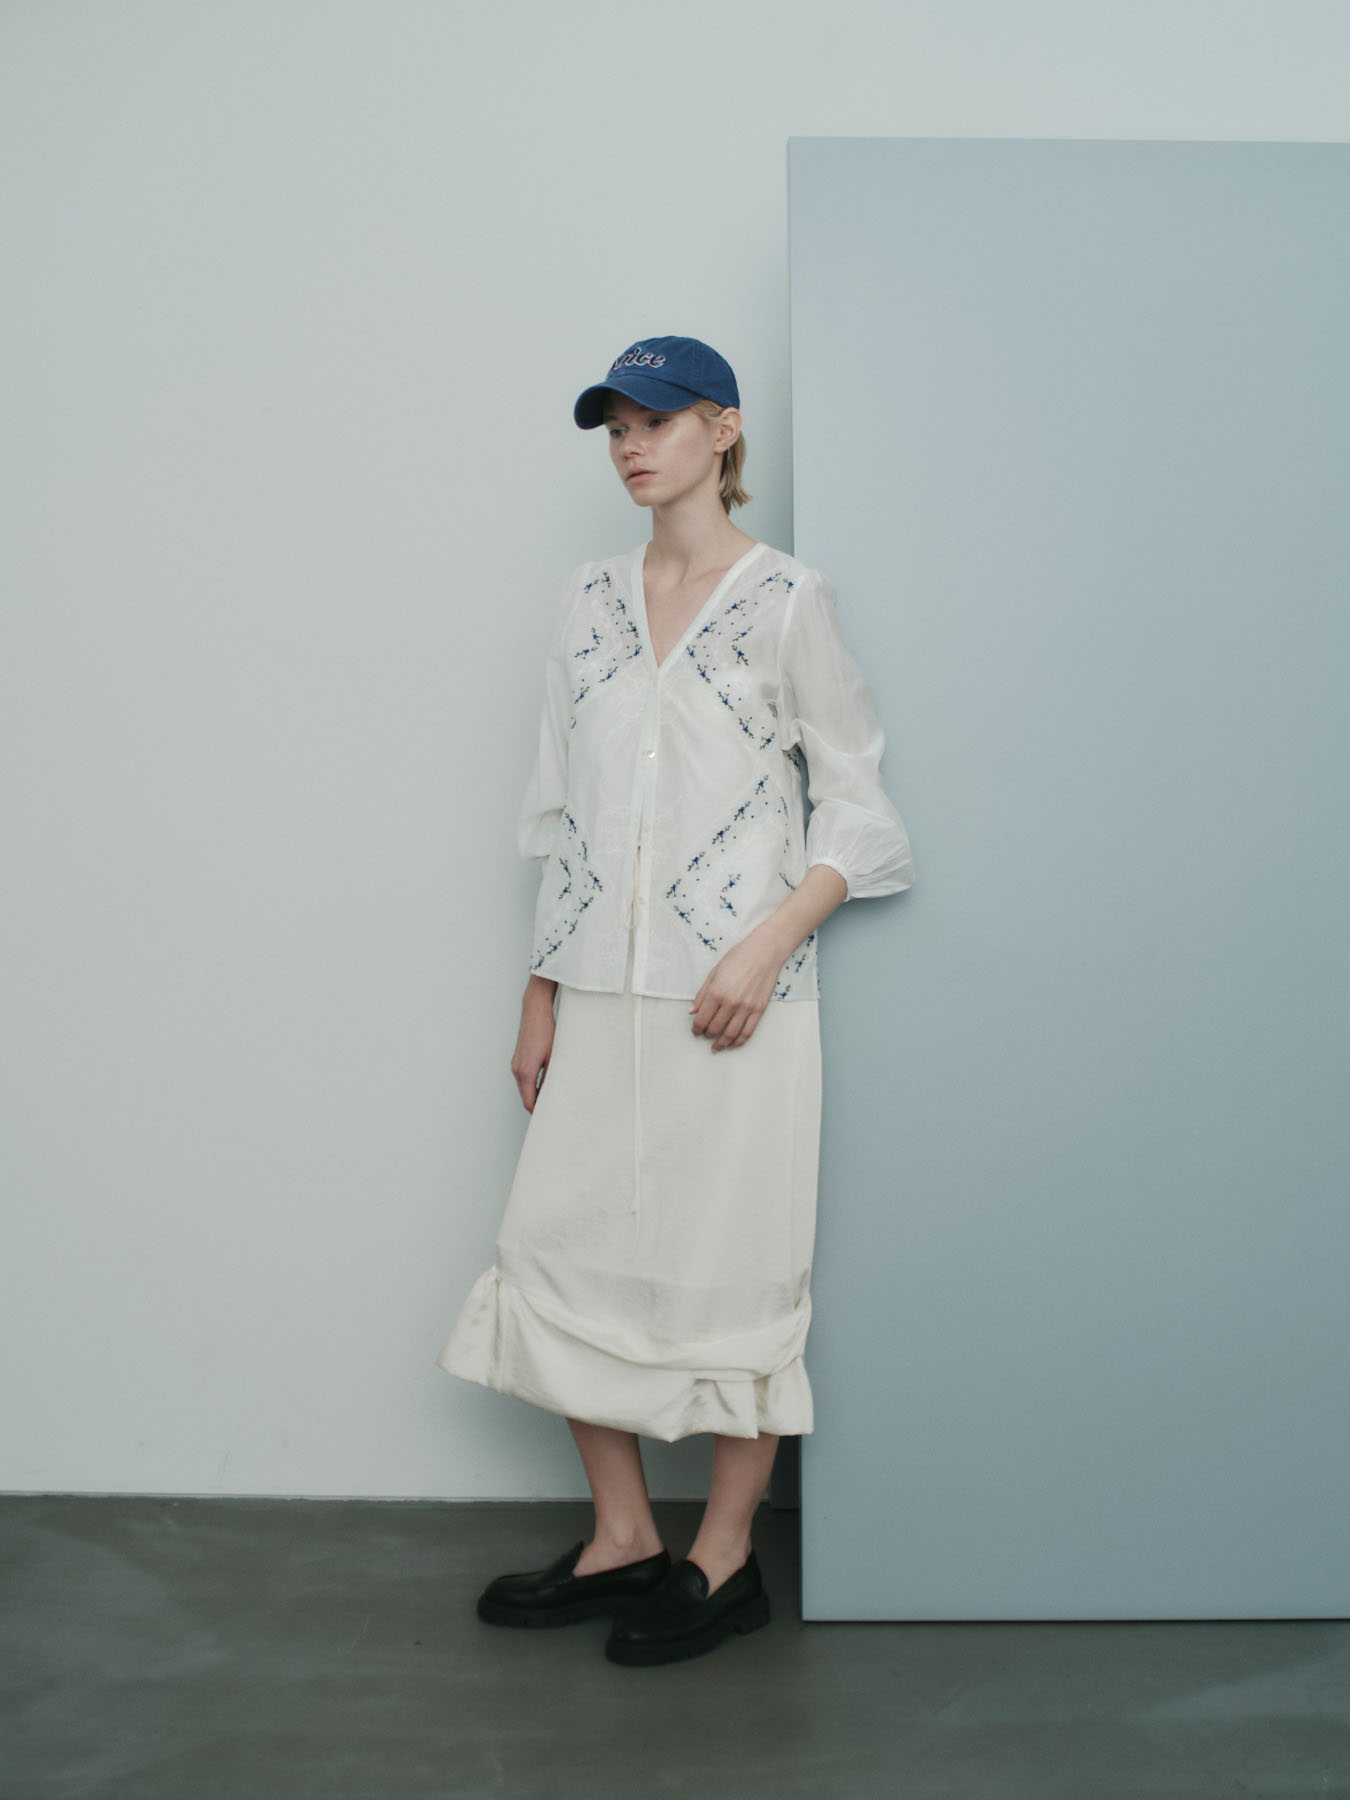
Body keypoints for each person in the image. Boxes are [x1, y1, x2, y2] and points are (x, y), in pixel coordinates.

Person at [439, 335, 914, 1667]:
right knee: (561, 1250)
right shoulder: (584, 600)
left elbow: (862, 814)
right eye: (615, 428)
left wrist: (767, 947)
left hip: (736, 1004)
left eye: (656, 419)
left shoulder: (788, 601)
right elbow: (562, 813)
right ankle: (622, 1537)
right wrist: (540, 990)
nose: (632, 446)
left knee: (732, 1268)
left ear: (724, 427)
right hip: (597, 988)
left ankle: (723, 1558)